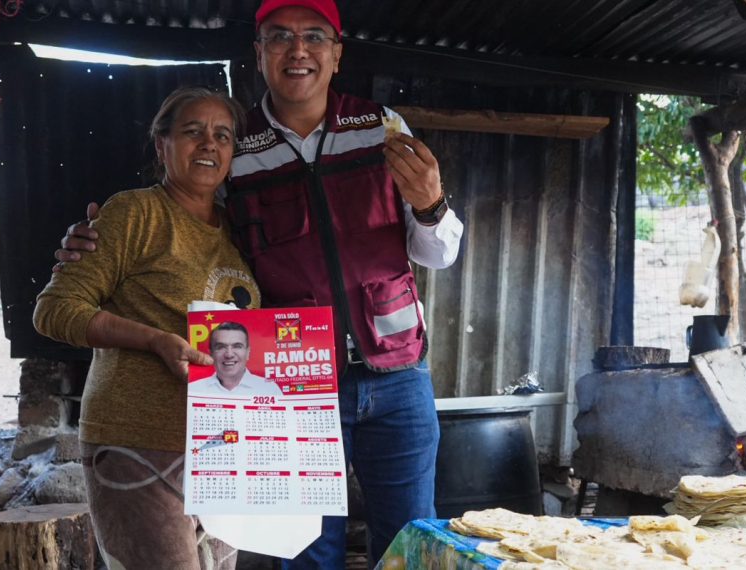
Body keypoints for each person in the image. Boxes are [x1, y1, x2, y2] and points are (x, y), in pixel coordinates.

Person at [55, 0, 464, 566]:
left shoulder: (380, 127)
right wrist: (91, 241)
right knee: (305, 550)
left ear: (337, 53)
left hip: (398, 374)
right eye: (279, 37)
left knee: (410, 544)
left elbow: (438, 254)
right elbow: (198, 228)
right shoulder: (237, 147)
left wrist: (431, 205)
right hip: (295, 384)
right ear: (258, 53)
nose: (298, 50)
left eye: (314, 37)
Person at [35, 86, 260, 570]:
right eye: (193, 131)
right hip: (136, 442)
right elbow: (54, 309)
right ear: (162, 145)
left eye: (222, 135)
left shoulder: (239, 231)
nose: (209, 143)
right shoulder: (135, 213)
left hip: (220, 450)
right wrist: (154, 340)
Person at [191, 322, 284, 397]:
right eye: (221, 347)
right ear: (211, 353)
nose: (229, 354)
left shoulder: (269, 389)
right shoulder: (194, 390)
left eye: (237, 346)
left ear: (248, 352)